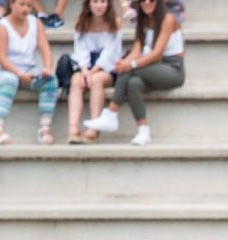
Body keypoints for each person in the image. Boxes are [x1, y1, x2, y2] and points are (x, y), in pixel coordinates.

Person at [83, 0, 185, 145]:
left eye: (151, 0)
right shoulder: (142, 20)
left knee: (130, 71)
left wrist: (130, 64)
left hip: (172, 69)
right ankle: (143, 130)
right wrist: (124, 63)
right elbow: (137, 50)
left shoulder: (168, 18)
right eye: (143, 1)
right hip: (153, 68)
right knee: (133, 83)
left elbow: (157, 53)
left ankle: (111, 113)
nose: (147, 3)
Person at [0, 0, 57, 145]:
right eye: (22, 4)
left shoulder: (35, 23)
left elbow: (44, 47)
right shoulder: (2, 27)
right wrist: (18, 73)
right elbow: (1, 58)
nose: (26, 9)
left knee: (50, 80)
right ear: (11, 4)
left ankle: (44, 128)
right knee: (10, 81)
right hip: (0, 70)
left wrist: (48, 68)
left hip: (27, 69)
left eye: (29, 6)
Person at [65, 0, 121, 144]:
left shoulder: (114, 23)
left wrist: (92, 71)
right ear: (88, 4)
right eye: (95, 1)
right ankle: (73, 129)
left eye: (103, 1)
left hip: (107, 67)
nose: (99, 5)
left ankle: (94, 128)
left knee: (96, 80)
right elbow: (80, 48)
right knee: (76, 80)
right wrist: (84, 69)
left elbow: (110, 53)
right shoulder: (82, 22)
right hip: (87, 64)